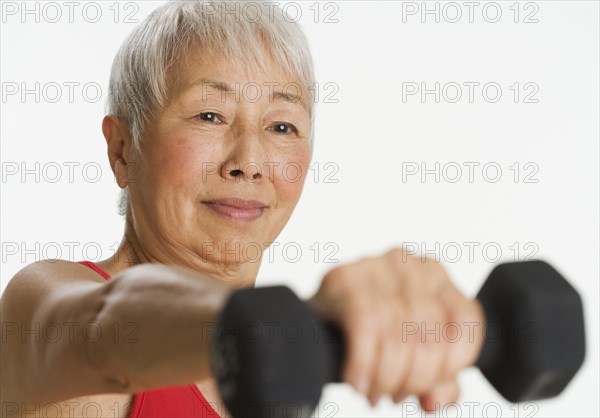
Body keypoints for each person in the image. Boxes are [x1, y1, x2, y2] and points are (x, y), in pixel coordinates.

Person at [0, 1, 483, 417]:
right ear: (123, 150)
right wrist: (284, 323)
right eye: (209, 115)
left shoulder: (279, 382)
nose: (249, 162)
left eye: (282, 126)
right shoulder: (42, 304)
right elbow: (105, 327)